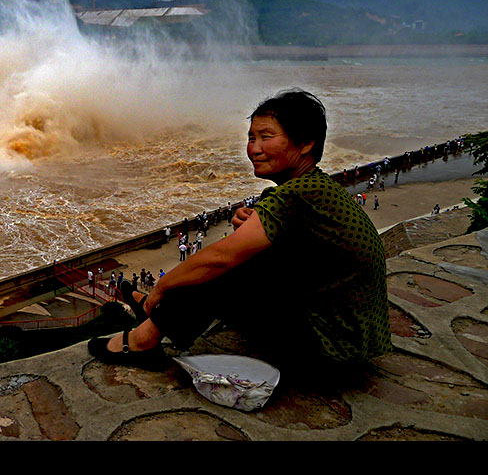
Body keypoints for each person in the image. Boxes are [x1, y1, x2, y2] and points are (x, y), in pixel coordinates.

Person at [89, 89, 392, 379]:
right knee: (243, 255)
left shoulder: (294, 196)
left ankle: (145, 338)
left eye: (266, 137)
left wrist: (162, 287)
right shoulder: (315, 188)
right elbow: (306, 252)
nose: (254, 148)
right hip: (350, 342)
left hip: (328, 351)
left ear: (306, 143)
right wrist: (250, 230)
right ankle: (153, 314)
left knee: (229, 263)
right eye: (251, 138)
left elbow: (221, 259)